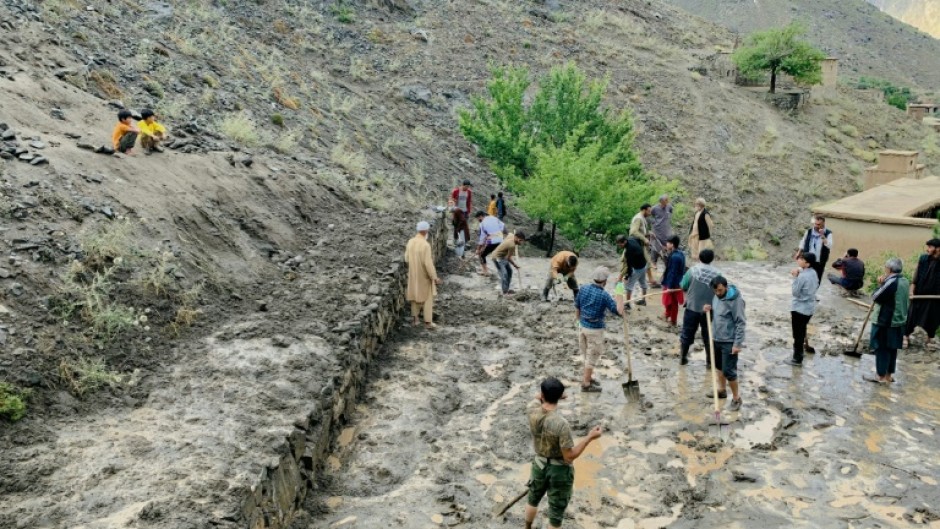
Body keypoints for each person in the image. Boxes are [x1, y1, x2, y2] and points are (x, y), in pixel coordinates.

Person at [525, 377, 603, 529]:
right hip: (558, 470)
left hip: (539, 465)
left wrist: (550, 394)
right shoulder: (561, 424)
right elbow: (569, 456)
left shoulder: (531, 410)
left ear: (542, 395)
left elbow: (537, 398)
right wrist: (589, 437)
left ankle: (527, 527)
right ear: (560, 396)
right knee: (555, 512)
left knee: (532, 499)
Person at [575, 267, 625, 392]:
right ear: (605, 281)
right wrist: (619, 290)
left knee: (587, 355)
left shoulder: (583, 288)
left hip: (582, 327)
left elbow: (577, 306)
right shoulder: (604, 295)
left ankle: (588, 378)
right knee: (592, 358)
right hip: (595, 331)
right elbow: (619, 311)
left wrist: (578, 322)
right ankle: (586, 384)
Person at [703, 276, 746, 411]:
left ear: (726, 287)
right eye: (715, 291)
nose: (718, 293)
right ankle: (721, 391)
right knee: (719, 367)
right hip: (716, 338)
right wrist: (709, 309)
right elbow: (718, 313)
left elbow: (741, 322)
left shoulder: (736, 301)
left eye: (720, 290)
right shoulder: (716, 296)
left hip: (729, 341)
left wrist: (737, 344)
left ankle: (736, 398)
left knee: (729, 371)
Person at [869, 258, 910, 383]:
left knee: (882, 347)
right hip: (899, 320)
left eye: (886, 267)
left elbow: (876, 297)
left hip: (886, 320)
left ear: (889, 269)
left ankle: (881, 376)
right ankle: (888, 375)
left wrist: (879, 285)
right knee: (892, 348)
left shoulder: (891, 282)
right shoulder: (905, 281)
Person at [679, 249, 720, 366]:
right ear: (712, 259)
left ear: (699, 258)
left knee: (687, 333)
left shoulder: (692, 271)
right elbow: (721, 292)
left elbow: (683, 285)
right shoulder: (717, 275)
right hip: (709, 310)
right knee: (708, 336)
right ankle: (709, 362)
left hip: (692, 307)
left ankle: (682, 358)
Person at [405, 221, 441, 329]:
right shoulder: (425, 245)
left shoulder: (410, 241)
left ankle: (415, 320)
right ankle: (428, 322)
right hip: (424, 275)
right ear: (425, 231)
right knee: (427, 297)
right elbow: (428, 263)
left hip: (413, 274)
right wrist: (434, 277)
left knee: (415, 296)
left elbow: (406, 258)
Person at [905, 239, 940, 348]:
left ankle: (930, 339)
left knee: (933, 318)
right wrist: (911, 291)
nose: (927, 249)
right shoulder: (923, 259)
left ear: (938, 249)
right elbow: (916, 277)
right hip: (919, 294)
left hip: (935, 297)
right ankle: (905, 336)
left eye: (930, 247)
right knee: (911, 316)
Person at [789, 252, 820, 366]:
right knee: (801, 331)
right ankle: (800, 353)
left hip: (799, 309)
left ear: (807, 263)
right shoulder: (813, 273)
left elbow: (795, 293)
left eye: (801, 259)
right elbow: (815, 286)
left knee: (797, 335)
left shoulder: (802, 276)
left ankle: (797, 359)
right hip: (809, 308)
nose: (798, 260)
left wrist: (795, 277)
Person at [796, 215, 832, 286]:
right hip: (807, 259)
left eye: (818, 224)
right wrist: (798, 252)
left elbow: (829, 245)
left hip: (819, 260)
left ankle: (813, 293)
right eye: (815, 224)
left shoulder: (828, 233)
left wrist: (823, 236)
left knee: (817, 278)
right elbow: (803, 242)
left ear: (823, 224)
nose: (816, 226)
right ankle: (804, 291)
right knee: (804, 275)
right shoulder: (809, 231)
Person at [616, 234, 649, 309]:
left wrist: (627, 276)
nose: (619, 246)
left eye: (620, 244)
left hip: (638, 269)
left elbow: (629, 266)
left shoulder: (629, 251)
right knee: (643, 283)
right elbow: (639, 239)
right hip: (644, 265)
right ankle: (643, 301)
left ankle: (627, 305)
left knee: (628, 287)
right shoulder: (632, 239)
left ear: (624, 242)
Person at [630, 203, 659, 287]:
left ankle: (650, 279)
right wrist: (645, 239)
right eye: (649, 211)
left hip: (639, 243)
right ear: (644, 210)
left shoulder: (642, 218)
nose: (650, 213)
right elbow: (633, 231)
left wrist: (649, 233)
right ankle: (623, 279)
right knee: (644, 260)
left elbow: (641, 230)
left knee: (646, 260)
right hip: (636, 243)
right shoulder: (638, 218)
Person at [660, 235, 685, 327]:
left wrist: (669, 287)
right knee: (668, 300)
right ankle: (667, 314)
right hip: (675, 281)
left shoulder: (675, 257)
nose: (666, 244)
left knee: (673, 302)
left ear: (672, 244)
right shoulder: (680, 253)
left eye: (668, 243)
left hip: (673, 283)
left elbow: (672, 273)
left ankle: (673, 320)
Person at [492, 231, 525, 296]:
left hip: (503, 256)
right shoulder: (512, 245)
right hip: (497, 258)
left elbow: (509, 233)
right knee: (504, 274)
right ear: (515, 237)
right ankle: (504, 292)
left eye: (522, 241)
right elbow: (508, 258)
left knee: (510, 271)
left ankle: (506, 289)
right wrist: (515, 265)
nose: (521, 242)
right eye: (520, 240)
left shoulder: (511, 236)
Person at [474, 210, 505, 276]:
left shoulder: (482, 224)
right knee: (498, 256)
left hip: (493, 242)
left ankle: (486, 272)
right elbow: (502, 226)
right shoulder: (494, 218)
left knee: (481, 255)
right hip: (501, 240)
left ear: (481, 216)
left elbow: (482, 238)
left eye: (478, 218)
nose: (478, 220)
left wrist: (478, 249)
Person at [650, 194, 674, 268]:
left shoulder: (669, 206)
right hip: (657, 230)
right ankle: (653, 262)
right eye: (665, 201)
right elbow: (649, 216)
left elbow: (671, 212)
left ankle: (667, 263)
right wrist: (654, 222)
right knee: (656, 246)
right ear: (660, 202)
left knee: (667, 246)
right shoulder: (654, 208)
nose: (666, 203)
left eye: (667, 201)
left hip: (666, 230)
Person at [450, 180, 473, 247]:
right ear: (463, 185)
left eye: (468, 187)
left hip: (465, 211)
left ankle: (465, 242)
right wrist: (453, 212)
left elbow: (468, 202)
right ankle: (455, 239)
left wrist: (468, 211)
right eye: (466, 186)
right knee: (456, 226)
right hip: (457, 211)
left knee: (465, 226)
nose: (467, 188)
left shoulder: (469, 192)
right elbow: (452, 201)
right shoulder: (456, 191)